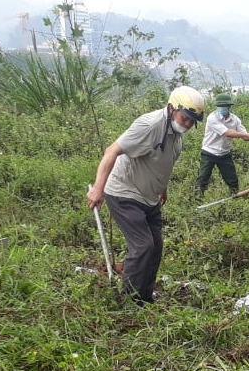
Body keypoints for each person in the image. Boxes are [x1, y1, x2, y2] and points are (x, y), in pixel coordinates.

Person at [86, 86, 205, 304]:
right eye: (185, 118)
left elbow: (163, 162)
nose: (187, 124)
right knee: (143, 245)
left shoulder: (176, 134)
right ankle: (129, 301)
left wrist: (163, 187)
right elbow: (111, 151)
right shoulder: (149, 126)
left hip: (149, 196)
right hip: (124, 192)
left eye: (192, 121)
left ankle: (144, 297)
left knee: (156, 247)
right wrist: (98, 188)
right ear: (171, 108)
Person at [194, 92, 249, 198]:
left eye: (224, 106)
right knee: (203, 177)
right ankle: (197, 198)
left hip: (225, 153)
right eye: (220, 106)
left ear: (229, 107)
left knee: (232, 178)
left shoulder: (235, 119)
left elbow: (245, 137)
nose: (222, 108)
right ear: (217, 106)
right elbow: (227, 133)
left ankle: (235, 196)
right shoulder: (212, 118)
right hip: (209, 152)